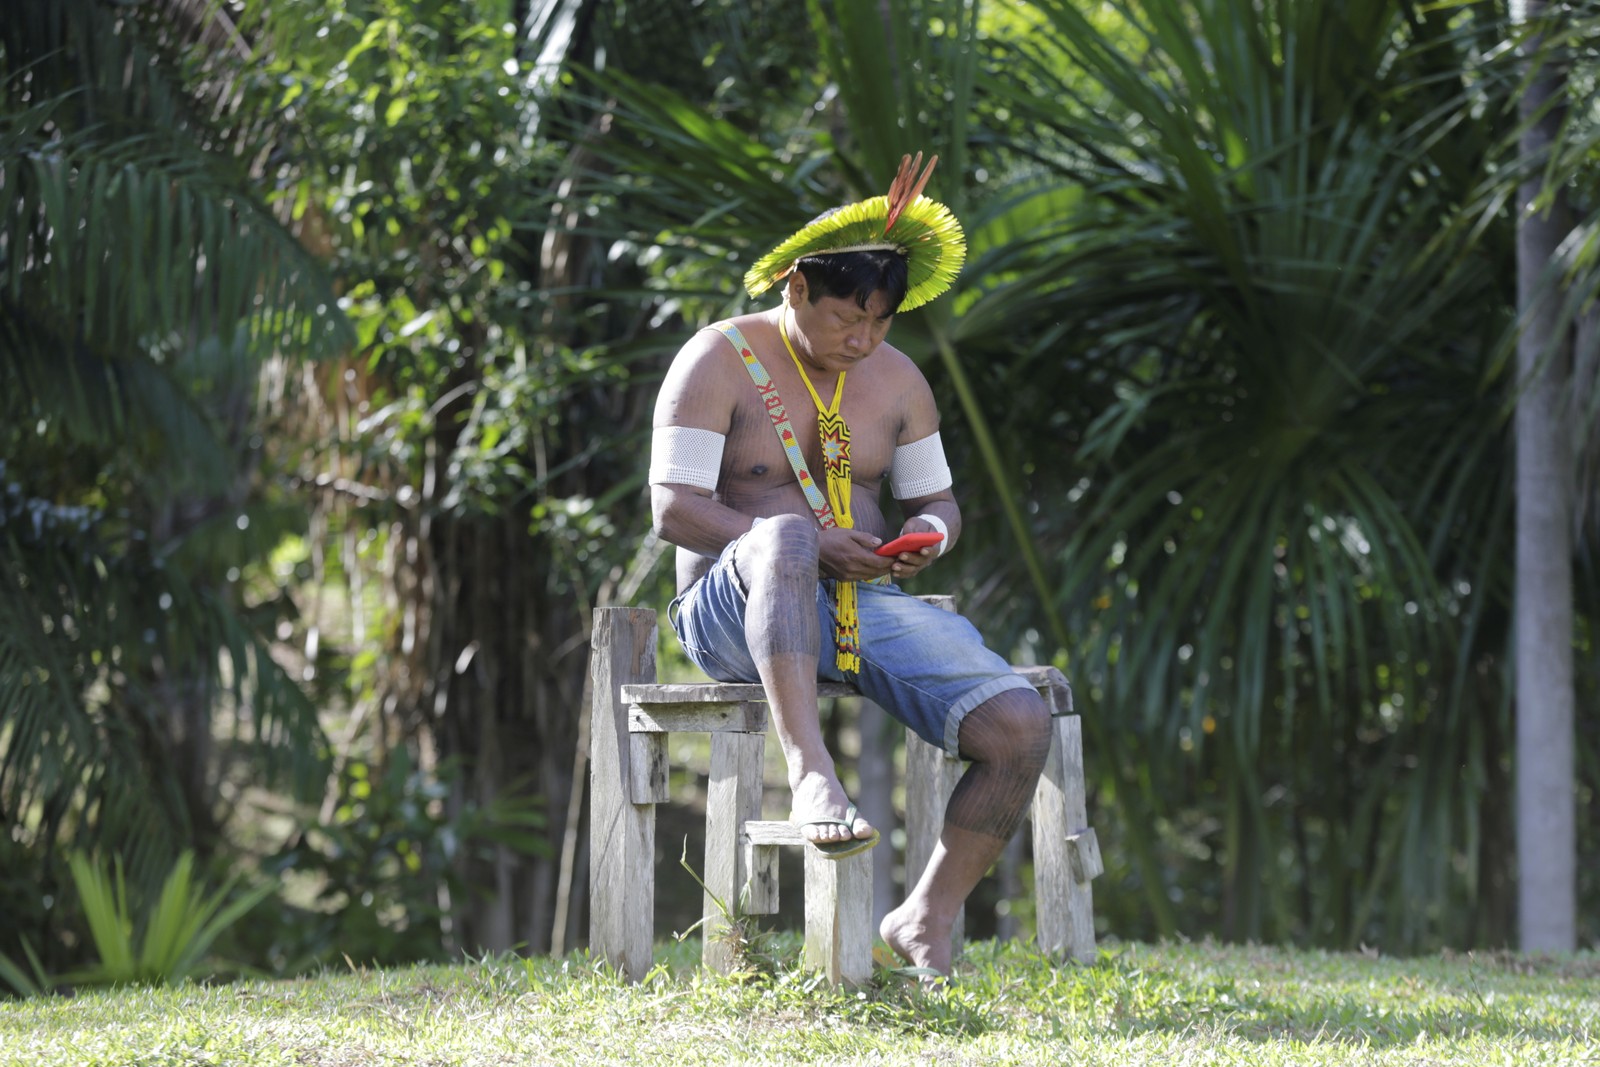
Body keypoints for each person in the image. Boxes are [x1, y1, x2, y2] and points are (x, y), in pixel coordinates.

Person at [647, 154, 1051, 979]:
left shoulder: (898, 381)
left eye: (880, 323)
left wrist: (928, 535)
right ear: (796, 288)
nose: (861, 341)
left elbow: (937, 502)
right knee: (788, 534)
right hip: (729, 612)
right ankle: (810, 775)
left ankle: (924, 917)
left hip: (851, 608)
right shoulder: (715, 359)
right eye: (844, 320)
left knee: (1018, 724)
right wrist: (799, 539)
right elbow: (673, 510)